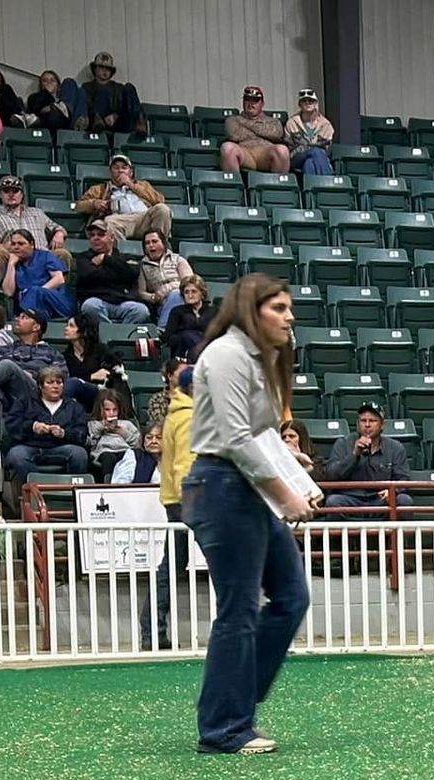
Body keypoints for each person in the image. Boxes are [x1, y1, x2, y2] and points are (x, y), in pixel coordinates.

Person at [184, 273, 316, 755]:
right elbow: (236, 440)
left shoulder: (260, 358)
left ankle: (234, 704)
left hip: (244, 485)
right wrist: (286, 495)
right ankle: (223, 726)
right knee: (238, 608)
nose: (289, 316)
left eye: (288, 308)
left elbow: (254, 436)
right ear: (251, 310)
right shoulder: (225, 355)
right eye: (278, 308)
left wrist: (287, 461)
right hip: (222, 486)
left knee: (291, 596)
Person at [142, 364, 196, 650]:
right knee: (224, 564)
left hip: (177, 499)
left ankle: (152, 632)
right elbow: (186, 464)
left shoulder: (177, 414)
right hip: (193, 500)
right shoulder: (189, 417)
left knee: (171, 567)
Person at [0, 308, 61, 464]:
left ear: (36, 327)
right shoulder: (4, 350)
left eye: (24, 317)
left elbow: (60, 378)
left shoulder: (51, 353)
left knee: (8, 366)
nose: (17, 319)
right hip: (6, 395)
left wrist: (34, 377)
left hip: (33, 393)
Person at [4, 367, 90, 489]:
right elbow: (11, 424)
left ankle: (69, 493)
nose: (55, 386)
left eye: (59, 382)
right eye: (50, 382)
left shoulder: (74, 406)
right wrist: (33, 427)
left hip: (61, 447)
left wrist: (64, 433)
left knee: (79, 454)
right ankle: (39, 490)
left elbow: (82, 433)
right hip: (30, 446)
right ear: (40, 386)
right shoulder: (25, 402)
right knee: (16, 455)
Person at [323, 400, 414, 512]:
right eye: (363, 421)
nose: (367, 425)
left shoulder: (395, 448)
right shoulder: (342, 444)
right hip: (351, 498)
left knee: (404, 500)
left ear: (382, 425)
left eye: (372, 421)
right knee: (333, 502)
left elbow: (404, 479)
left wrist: (393, 491)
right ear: (357, 424)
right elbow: (331, 476)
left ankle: (396, 530)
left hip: (379, 499)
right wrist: (354, 454)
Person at [0, 176, 71, 282]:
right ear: (0, 195)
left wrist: (59, 234)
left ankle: (60, 293)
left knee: (63, 253)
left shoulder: (37, 213)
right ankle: (4, 292)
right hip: (14, 257)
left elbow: (57, 227)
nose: (11, 194)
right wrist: (8, 247)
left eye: (15, 191)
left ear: (22, 194)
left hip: (41, 256)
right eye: (6, 191)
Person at [74, 153, 173, 245]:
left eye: (124, 168)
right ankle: (123, 256)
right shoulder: (100, 189)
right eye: (116, 168)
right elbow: (79, 206)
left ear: (131, 172)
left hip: (144, 219)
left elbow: (159, 200)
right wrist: (94, 203)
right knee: (109, 221)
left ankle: (161, 250)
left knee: (162, 209)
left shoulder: (143, 185)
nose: (120, 171)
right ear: (110, 172)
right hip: (121, 220)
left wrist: (131, 185)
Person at [74, 221, 150, 325]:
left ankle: (120, 336)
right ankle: (109, 335)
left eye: (101, 234)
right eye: (92, 235)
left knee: (141, 310)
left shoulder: (126, 258)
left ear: (112, 237)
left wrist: (106, 259)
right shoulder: (83, 258)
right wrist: (117, 272)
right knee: (89, 306)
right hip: (97, 302)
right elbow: (88, 276)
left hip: (122, 303)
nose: (95, 238)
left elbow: (131, 274)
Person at [1, 230, 72, 320]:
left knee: (34, 290)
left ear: (32, 244)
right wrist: (11, 264)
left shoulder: (45, 256)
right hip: (37, 310)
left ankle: (27, 317)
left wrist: (37, 293)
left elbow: (59, 279)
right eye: (13, 244)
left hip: (57, 303)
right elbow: (8, 292)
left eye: (21, 244)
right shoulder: (14, 264)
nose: (16, 247)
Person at [59, 312, 122, 411]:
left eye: (71, 326)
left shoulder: (100, 350)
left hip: (99, 394)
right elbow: (67, 382)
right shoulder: (65, 356)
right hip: (77, 399)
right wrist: (91, 377)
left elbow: (109, 375)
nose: (66, 328)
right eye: (67, 325)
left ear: (82, 330)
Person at [220, 86, 289, 174]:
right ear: (243, 102)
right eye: (247, 100)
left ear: (262, 104)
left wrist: (245, 124)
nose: (251, 104)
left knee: (282, 150)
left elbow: (276, 134)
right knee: (227, 148)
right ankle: (234, 185)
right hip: (244, 151)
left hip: (265, 153)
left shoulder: (273, 121)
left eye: (255, 101)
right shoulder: (233, 120)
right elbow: (234, 135)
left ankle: (278, 186)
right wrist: (261, 129)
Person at [136, 229, 194, 327]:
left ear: (163, 244)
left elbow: (190, 282)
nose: (151, 245)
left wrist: (168, 288)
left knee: (176, 294)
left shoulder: (177, 259)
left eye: (154, 241)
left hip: (185, 299)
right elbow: (141, 293)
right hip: (162, 304)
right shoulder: (143, 266)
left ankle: (162, 329)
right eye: (147, 243)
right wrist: (153, 297)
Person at [80, 53, 146, 140]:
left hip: (119, 123)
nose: (105, 71)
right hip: (96, 123)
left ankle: (140, 121)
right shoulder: (86, 87)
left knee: (129, 87)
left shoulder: (119, 88)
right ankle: (98, 120)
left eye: (108, 69)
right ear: (95, 69)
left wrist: (115, 116)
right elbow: (87, 106)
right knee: (101, 91)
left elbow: (124, 108)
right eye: (101, 67)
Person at [85, 389, 141, 482]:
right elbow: (90, 442)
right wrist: (101, 428)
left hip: (124, 450)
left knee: (128, 458)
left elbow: (138, 443)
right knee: (108, 458)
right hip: (104, 453)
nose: (111, 413)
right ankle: (109, 482)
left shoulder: (127, 424)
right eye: (107, 410)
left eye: (114, 410)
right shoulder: (94, 424)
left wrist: (124, 433)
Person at [162, 275, 215, 361]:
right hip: (183, 352)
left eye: (194, 291)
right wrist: (185, 338)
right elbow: (168, 337)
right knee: (187, 335)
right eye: (186, 292)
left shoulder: (213, 311)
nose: (190, 295)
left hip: (208, 347)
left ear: (202, 294)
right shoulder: (177, 311)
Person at [284, 89, 335, 176]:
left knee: (309, 163)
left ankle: (312, 188)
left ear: (316, 104)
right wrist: (309, 148)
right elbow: (290, 147)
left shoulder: (326, 125)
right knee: (315, 151)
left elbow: (326, 149)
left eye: (311, 101)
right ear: (300, 105)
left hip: (318, 159)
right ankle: (328, 183)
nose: (307, 103)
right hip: (296, 158)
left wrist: (307, 147)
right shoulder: (292, 123)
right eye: (304, 101)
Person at [24, 71, 77, 136]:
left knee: (73, 85)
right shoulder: (34, 97)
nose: (49, 83)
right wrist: (46, 92)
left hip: (64, 126)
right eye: (45, 81)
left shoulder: (64, 99)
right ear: (41, 84)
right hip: (45, 125)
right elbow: (36, 109)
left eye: (52, 80)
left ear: (57, 85)